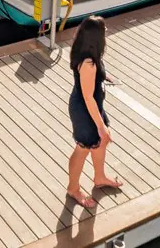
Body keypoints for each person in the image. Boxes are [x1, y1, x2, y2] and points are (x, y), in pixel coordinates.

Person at [65, 16, 120, 209]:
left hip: (94, 105)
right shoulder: (88, 63)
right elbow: (88, 97)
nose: (106, 32)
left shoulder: (88, 53)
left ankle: (99, 177)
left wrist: (105, 77)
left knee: (101, 142)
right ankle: (73, 188)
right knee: (84, 148)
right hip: (86, 110)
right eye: (103, 30)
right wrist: (101, 126)